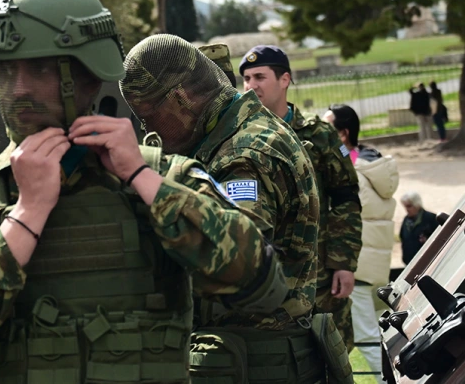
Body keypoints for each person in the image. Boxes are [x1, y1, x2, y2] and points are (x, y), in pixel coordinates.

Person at [0, 0, 289, 384]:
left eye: (40, 68)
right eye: (5, 70)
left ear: (87, 75)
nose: (19, 89)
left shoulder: (163, 178)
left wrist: (141, 177)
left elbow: (262, 285)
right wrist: (26, 214)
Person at [120, 34, 333, 383]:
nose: (148, 128)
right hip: (250, 357)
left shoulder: (243, 155)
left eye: (149, 116)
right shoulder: (238, 133)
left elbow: (240, 263)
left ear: (180, 98)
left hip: (258, 362)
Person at [240, 45, 363, 350]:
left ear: (284, 80)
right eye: (246, 78)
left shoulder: (320, 135)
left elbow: (346, 199)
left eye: (259, 77)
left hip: (319, 279)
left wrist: (343, 262)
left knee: (333, 357)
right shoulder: (239, 137)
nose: (251, 86)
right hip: (267, 281)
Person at [324, 104, 400, 384]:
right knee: (368, 331)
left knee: (365, 335)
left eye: (326, 127)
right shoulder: (373, 166)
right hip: (372, 262)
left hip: (354, 263)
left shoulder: (351, 171)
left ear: (343, 134)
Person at [399, 191, 438, 265]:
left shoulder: (430, 218)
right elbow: (402, 237)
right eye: (405, 206)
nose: (407, 209)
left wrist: (427, 240)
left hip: (427, 261)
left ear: (417, 205)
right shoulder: (406, 220)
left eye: (409, 206)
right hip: (409, 262)